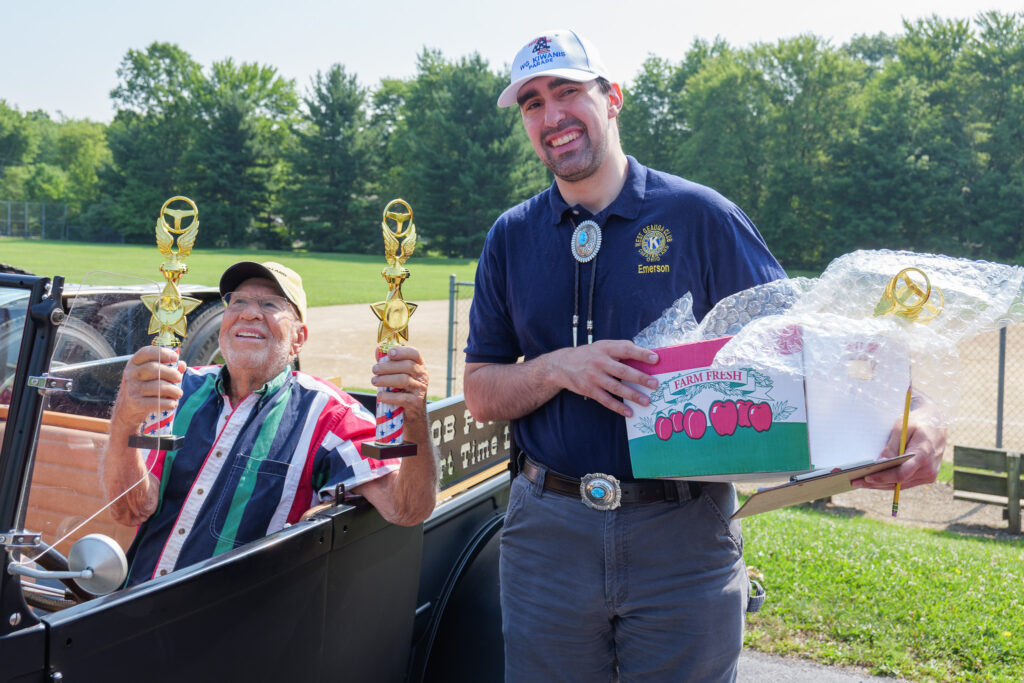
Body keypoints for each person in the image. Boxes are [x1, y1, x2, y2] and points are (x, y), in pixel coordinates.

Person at [463, 30, 945, 682]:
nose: (552, 116)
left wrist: (915, 416)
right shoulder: (511, 236)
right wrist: (557, 367)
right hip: (547, 536)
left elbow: (805, 351)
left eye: (567, 91)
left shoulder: (701, 216)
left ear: (612, 98)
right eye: (532, 103)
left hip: (683, 537)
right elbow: (481, 392)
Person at [102, 261, 438, 587]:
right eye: (238, 301)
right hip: (134, 602)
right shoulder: (177, 392)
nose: (249, 313)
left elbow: (405, 510)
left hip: (232, 618)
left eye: (270, 304)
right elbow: (130, 510)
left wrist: (414, 418)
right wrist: (125, 420)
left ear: (298, 338)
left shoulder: (330, 416)